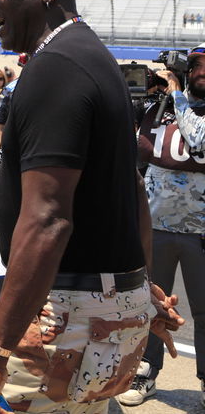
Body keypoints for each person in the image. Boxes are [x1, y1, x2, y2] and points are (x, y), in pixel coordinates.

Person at [0, 0, 183, 414]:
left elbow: (48, 220)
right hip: (103, 311)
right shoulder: (94, 57)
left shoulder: (55, 68)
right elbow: (131, 189)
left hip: (67, 314)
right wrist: (141, 288)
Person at [117, 43, 205, 407]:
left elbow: (199, 142)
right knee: (149, 304)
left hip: (201, 232)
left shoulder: (180, 102)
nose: (202, 71)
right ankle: (145, 372)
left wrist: (176, 94)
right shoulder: (158, 107)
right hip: (154, 225)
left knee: (203, 311)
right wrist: (135, 95)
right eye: (196, 64)